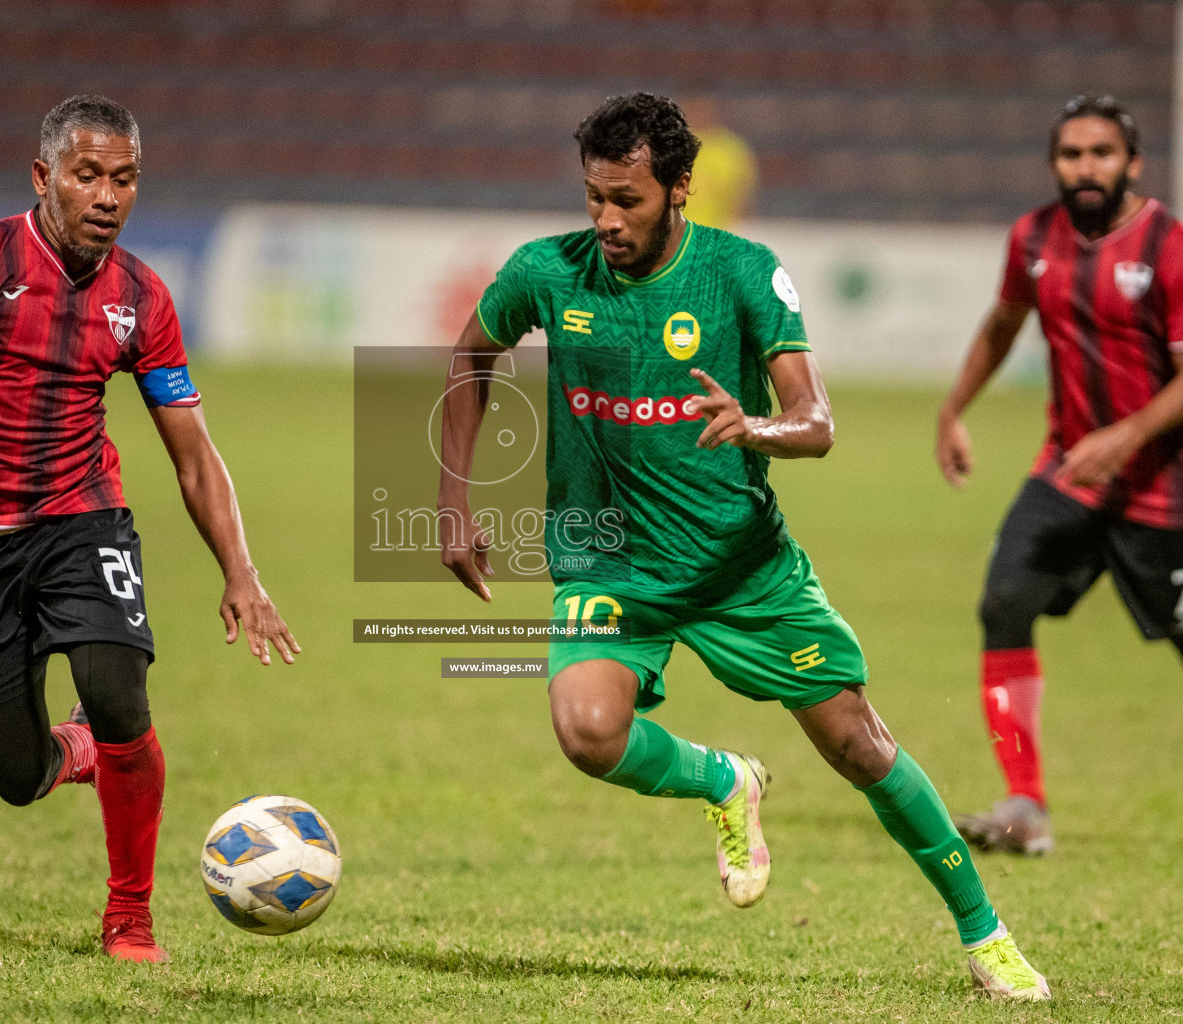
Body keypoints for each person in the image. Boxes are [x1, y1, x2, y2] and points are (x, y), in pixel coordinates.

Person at [437, 92, 1049, 1001]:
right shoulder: (545, 272)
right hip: (608, 558)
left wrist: (754, 426)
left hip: (740, 567)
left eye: (628, 201)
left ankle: (985, 934)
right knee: (587, 731)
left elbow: (818, 423)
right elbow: (469, 358)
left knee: (860, 747)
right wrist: (455, 499)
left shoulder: (741, 273)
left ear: (680, 188)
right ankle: (727, 780)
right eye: (594, 197)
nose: (606, 220)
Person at [0, 95, 299, 962]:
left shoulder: (142, 296)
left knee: (119, 694)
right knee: (16, 775)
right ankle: (70, 750)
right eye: (87, 176)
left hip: (83, 520)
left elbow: (191, 451)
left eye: (124, 179)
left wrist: (241, 571)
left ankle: (130, 915)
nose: (107, 197)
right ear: (43, 178)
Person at [936, 94, 1183, 858]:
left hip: (1167, 487)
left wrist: (1129, 435)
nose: (1086, 168)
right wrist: (953, 409)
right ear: (1054, 164)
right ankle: (1026, 806)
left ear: (1132, 162)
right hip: (1071, 472)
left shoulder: (1170, 244)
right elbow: (1002, 323)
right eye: (1072, 155)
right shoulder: (1033, 237)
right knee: (1003, 603)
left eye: (1101, 154)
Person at [678, 94, 757, 228]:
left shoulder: (731, 150)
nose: (699, 113)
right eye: (694, 107)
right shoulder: (669, 145)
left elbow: (741, 201)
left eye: (703, 107)